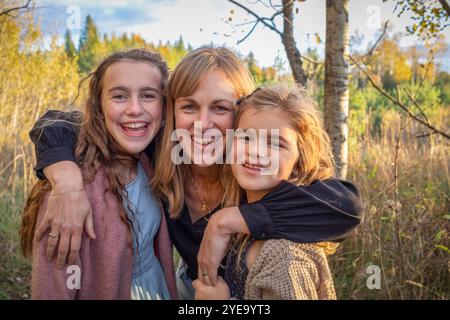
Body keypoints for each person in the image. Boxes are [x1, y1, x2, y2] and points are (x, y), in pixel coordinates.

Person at [29, 46, 363, 299]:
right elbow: (60, 124)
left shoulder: (258, 173)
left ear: (244, 116)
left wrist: (226, 220)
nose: (202, 125)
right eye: (189, 107)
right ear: (171, 111)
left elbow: (347, 207)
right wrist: (67, 182)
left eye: (220, 108)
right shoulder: (161, 151)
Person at [20, 49, 177, 299]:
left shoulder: (151, 159)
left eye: (148, 95)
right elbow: (52, 289)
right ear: (99, 105)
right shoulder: (70, 192)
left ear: (165, 106)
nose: (135, 109)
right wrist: (67, 184)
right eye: (119, 96)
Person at [193, 84, 338, 299]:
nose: (255, 151)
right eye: (246, 137)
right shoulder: (241, 221)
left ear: (299, 162)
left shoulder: (285, 256)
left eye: (275, 143)